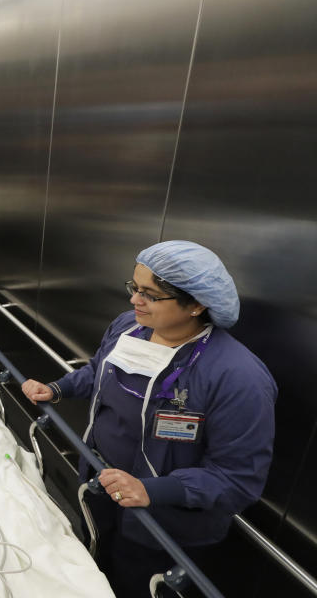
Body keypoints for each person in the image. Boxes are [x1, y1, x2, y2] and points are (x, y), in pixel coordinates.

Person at [20, 240, 276, 597]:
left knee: (133, 586)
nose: (134, 301)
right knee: (92, 568)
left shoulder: (236, 378)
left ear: (197, 304)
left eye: (150, 295)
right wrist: (58, 389)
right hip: (100, 486)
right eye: (134, 288)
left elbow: (237, 478)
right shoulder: (128, 327)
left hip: (161, 525)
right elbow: (99, 370)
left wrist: (151, 490)